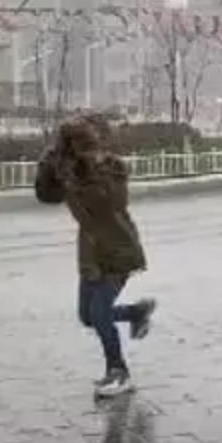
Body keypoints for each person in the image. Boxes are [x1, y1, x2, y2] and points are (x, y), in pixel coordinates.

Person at [35, 116, 156, 398]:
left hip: (119, 247)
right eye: (83, 148)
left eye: (94, 146)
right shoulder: (69, 170)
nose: (93, 153)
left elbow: (110, 203)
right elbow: (46, 196)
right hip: (90, 250)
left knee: (100, 312)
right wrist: (47, 167)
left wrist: (86, 172)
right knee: (88, 317)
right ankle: (136, 312)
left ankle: (119, 372)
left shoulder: (112, 167)